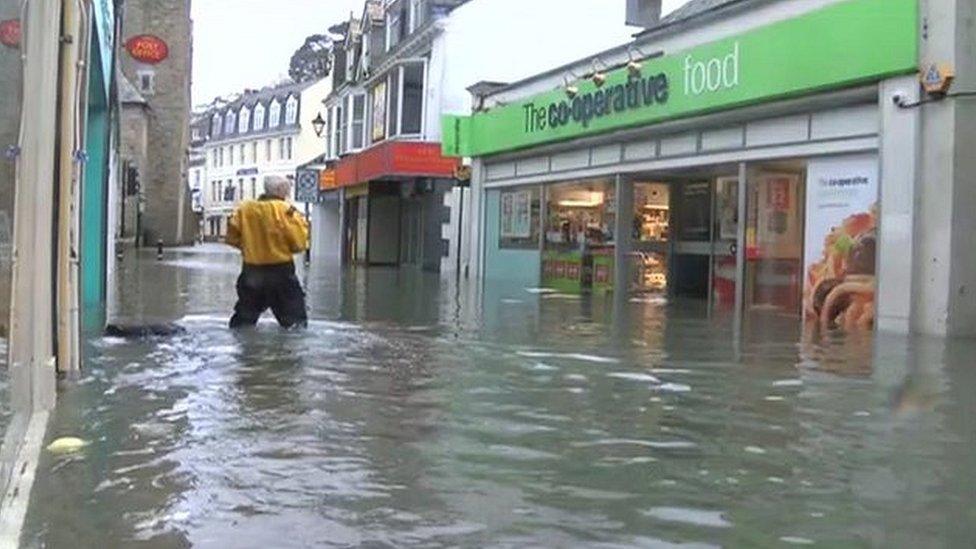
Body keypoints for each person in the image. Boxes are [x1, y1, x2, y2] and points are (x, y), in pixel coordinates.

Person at [225, 175, 309, 329]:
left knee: (243, 320)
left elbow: (231, 237)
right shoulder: (286, 211)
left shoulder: (244, 210)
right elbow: (299, 243)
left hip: (251, 271)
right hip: (281, 273)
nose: (288, 194)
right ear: (279, 190)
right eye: (287, 190)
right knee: (296, 323)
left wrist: (249, 246)